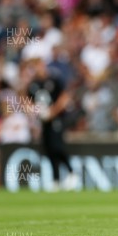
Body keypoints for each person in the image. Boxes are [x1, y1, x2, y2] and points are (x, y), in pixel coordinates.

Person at [27, 58, 77, 192]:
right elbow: (28, 102)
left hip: (56, 119)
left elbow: (65, 97)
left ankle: (72, 172)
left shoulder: (54, 80)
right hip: (44, 122)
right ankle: (56, 179)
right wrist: (35, 112)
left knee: (57, 147)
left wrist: (52, 112)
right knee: (49, 150)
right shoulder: (34, 84)